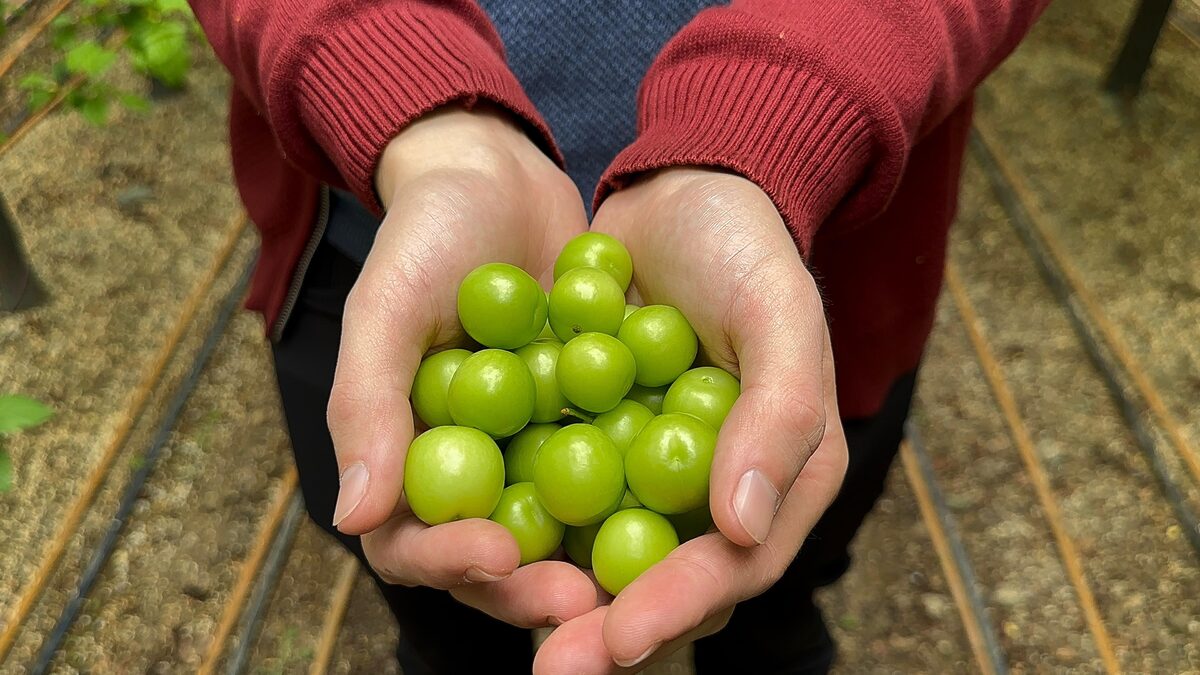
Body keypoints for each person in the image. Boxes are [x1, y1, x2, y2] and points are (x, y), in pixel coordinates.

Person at [192, 1, 1049, 672]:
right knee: (444, 614)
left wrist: (776, 116)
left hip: (804, 277)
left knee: (776, 591)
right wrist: (399, 86)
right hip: (387, 231)